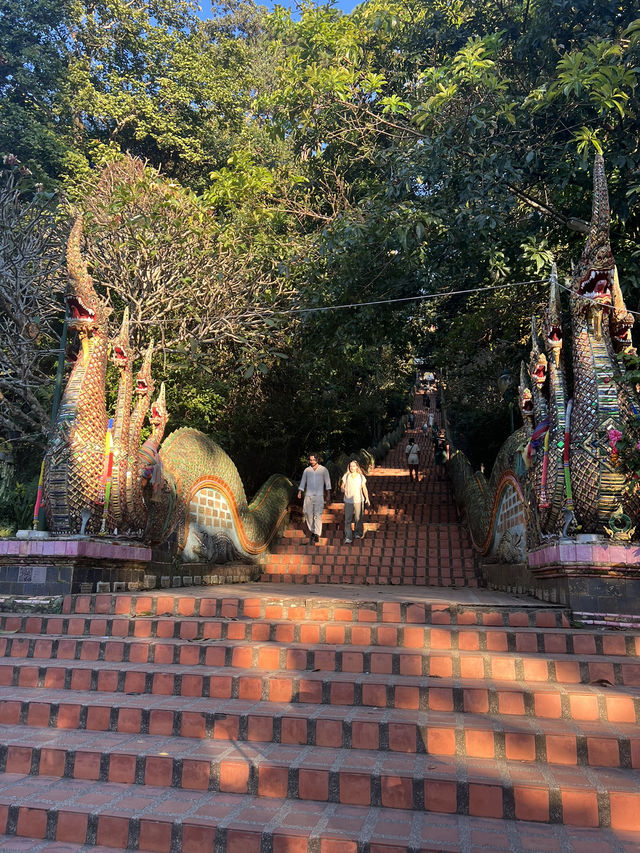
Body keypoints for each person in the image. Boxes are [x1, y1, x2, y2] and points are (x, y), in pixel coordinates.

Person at [298, 453, 331, 544]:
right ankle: (313, 530)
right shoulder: (307, 470)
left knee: (318, 515)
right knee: (308, 514)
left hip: (319, 495)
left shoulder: (323, 470)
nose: (311, 461)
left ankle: (317, 534)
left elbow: (327, 483)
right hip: (308, 495)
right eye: (310, 460)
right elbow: (303, 481)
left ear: (317, 460)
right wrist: (300, 491)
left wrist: (328, 494)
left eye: (312, 459)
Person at [340, 459, 370, 543]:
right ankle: (348, 537)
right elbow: (342, 486)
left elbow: (364, 488)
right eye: (350, 466)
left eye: (353, 466)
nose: (352, 468)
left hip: (359, 500)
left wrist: (367, 498)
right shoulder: (346, 476)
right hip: (348, 500)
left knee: (358, 518)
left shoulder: (361, 476)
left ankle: (358, 533)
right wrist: (343, 489)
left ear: (357, 467)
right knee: (347, 519)